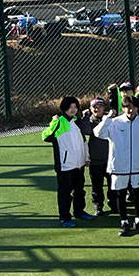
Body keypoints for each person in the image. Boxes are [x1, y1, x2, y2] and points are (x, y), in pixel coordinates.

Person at [94, 97, 139, 237]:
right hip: (119, 166)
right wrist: (107, 119)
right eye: (127, 107)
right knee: (121, 194)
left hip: (137, 165)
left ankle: (138, 220)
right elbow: (98, 133)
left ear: (137, 108)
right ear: (123, 108)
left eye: (133, 107)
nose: (130, 110)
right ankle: (124, 222)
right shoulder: (114, 122)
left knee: (137, 193)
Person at [43, 96, 92, 227]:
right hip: (65, 166)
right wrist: (54, 123)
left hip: (79, 164)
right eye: (70, 107)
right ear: (64, 108)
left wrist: (86, 157)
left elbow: (83, 142)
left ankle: (79, 211)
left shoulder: (77, 122)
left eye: (75, 107)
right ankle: (65, 217)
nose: (73, 110)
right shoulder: (59, 122)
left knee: (80, 190)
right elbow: (46, 136)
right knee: (65, 193)